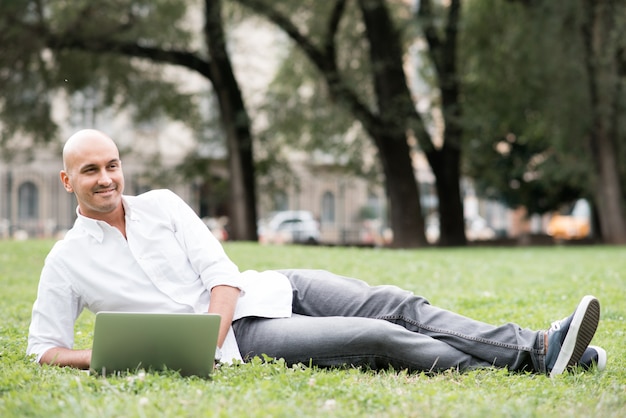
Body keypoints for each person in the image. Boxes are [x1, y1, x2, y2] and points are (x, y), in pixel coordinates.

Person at [27, 129, 607, 377]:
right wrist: (109, 353)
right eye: (90, 171)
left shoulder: (161, 204)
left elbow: (221, 276)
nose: (106, 179)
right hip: (244, 342)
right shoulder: (66, 260)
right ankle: (552, 360)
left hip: (270, 287)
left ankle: (540, 348)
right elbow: (43, 350)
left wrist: (203, 331)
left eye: (112, 165)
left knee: (395, 303)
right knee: (376, 339)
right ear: (65, 180)